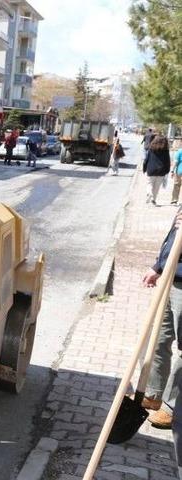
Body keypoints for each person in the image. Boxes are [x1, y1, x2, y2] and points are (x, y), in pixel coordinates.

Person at [142, 210, 182, 429]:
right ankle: (153, 394)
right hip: (171, 276)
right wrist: (159, 265)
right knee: (158, 336)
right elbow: (175, 236)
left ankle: (172, 406)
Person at [144, 135, 172, 206]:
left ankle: (149, 193)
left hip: (151, 169)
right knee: (157, 186)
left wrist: (144, 168)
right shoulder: (166, 151)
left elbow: (146, 160)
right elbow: (168, 162)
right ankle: (153, 200)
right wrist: (167, 171)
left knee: (149, 184)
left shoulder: (151, 149)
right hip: (161, 171)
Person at [172, 140, 182, 204]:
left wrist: (172, 170)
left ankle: (174, 199)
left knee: (176, 185)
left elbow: (176, 161)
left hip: (179, 171)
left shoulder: (180, 151)